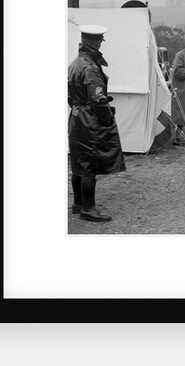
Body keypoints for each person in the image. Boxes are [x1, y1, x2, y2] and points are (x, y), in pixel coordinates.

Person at [67, 24, 126, 222]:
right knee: (90, 163)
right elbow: (98, 98)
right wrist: (108, 116)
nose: (101, 44)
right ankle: (88, 209)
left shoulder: (75, 63)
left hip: (76, 116)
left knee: (78, 161)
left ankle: (77, 204)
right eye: (100, 41)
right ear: (95, 42)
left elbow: (69, 94)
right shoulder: (90, 67)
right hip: (90, 119)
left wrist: (78, 107)